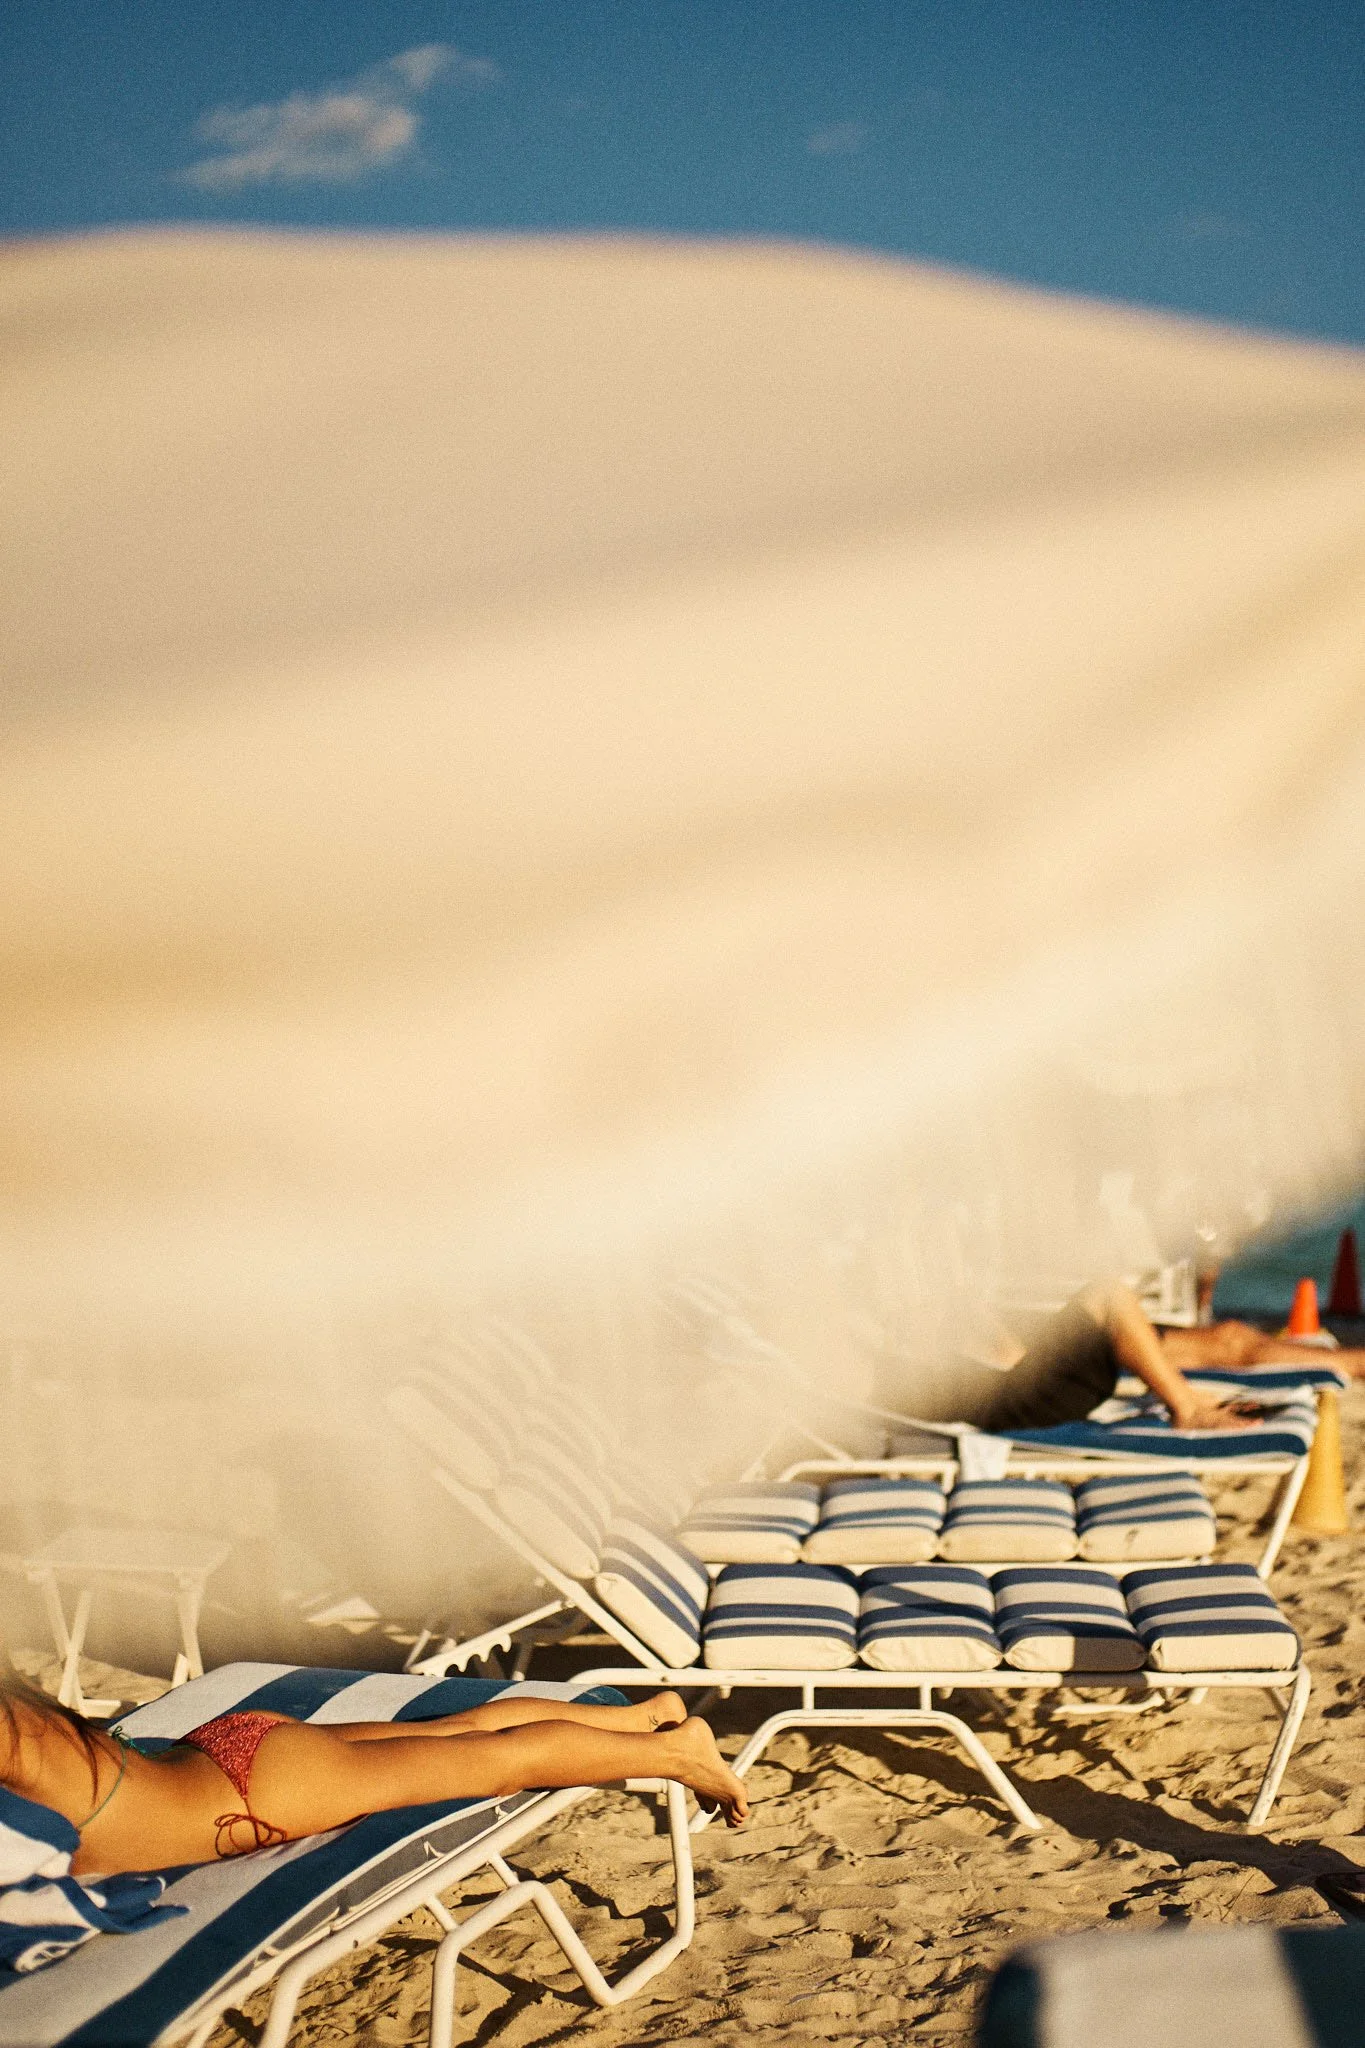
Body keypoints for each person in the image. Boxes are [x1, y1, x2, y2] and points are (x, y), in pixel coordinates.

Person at [0, 1675, 748, 1877]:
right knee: (456, 1735)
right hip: (221, 1756)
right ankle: (642, 1716)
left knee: (495, 1763)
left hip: (251, 1794)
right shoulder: (18, 1712)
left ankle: (674, 1752)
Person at [941, 1277, 1364, 1435]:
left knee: (1229, 1337)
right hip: (1029, 1386)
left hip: (1036, 1359)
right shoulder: (906, 1321)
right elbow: (1004, 1356)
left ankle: (1359, 1362)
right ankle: (1186, 1407)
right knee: (1108, 1295)